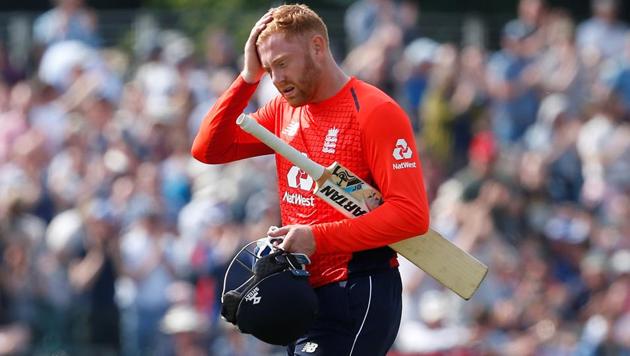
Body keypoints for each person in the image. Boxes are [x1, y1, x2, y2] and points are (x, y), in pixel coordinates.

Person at [191, 4, 429, 355]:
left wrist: (317, 238)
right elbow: (208, 148)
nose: (276, 79)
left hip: (357, 288)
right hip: (302, 292)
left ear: (317, 47)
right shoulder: (283, 110)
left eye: (283, 64)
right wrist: (247, 77)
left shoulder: (375, 111)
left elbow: (411, 216)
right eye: (269, 69)